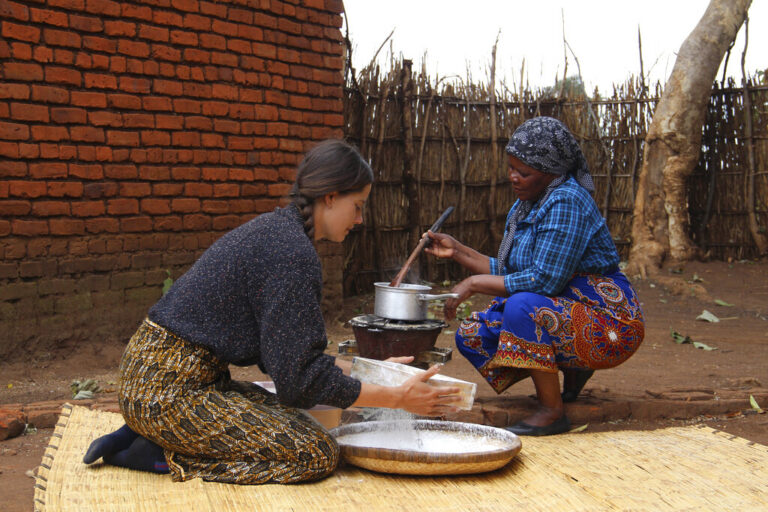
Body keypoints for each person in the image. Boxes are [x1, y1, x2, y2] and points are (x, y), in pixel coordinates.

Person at [83, 139, 461, 484]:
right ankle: (160, 453)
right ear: (330, 197)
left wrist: (376, 373)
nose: (360, 220)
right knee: (314, 453)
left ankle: (149, 432)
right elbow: (302, 384)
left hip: (169, 380)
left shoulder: (282, 236)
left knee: (290, 421)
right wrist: (397, 398)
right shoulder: (290, 254)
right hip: (167, 392)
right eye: (357, 206)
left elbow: (293, 359)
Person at [424, 117, 645, 436]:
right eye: (511, 168)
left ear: (551, 171)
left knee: (521, 307)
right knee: (473, 334)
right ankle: (570, 369)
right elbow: (513, 272)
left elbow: (543, 282)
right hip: (567, 310)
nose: (514, 177)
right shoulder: (528, 204)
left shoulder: (567, 201)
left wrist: (471, 284)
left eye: (523, 172)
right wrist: (457, 250)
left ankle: (552, 411)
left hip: (609, 322)